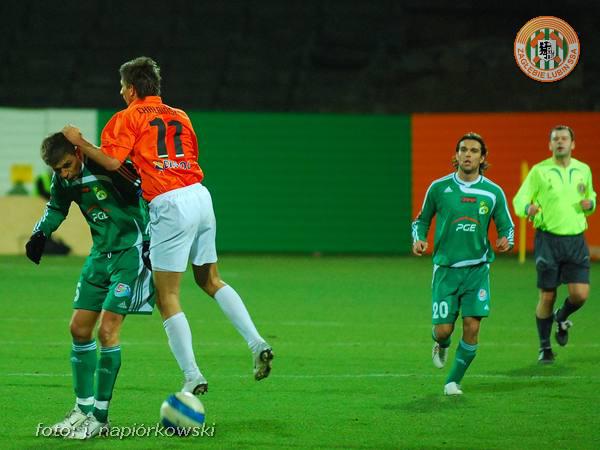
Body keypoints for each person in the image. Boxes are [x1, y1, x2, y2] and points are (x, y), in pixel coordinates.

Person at [62, 56, 273, 396]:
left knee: (166, 295)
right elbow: (186, 156)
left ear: (132, 89)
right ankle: (256, 342)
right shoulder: (180, 115)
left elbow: (113, 161)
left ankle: (192, 375)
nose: (121, 93)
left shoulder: (126, 117)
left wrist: (80, 141)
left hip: (170, 203)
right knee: (210, 279)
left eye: (122, 87)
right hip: (200, 195)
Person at [26, 132, 155, 439]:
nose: (64, 173)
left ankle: (100, 417)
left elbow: (138, 188)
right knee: (79, 329)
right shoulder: (64, 179)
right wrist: (40, 233)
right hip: (99, 256)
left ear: (78, 153)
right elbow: (56, 207)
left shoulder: (105, 166)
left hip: (130, 253)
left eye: (67, 165)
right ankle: (82, 409)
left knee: (107, 331)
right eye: (57, 170)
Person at [412, 132, 514, 395]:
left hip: (477, 270)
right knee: (443, 330)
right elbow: (421, 220)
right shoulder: (439, 188)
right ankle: (441, 342)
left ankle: (452, 381)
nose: (468, 154)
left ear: (482, 158)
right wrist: (419, 239)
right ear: (456, 155)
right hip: (446, 270)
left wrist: (506, 239)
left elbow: (507, 226)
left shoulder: (492, 192)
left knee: (472, 325)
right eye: (463, 150)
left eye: (474, 151)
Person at [513, 125, 596, 364]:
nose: (560, 142)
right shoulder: (539, 171)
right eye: (556, 139)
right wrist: (526, 208)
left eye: (564, 138)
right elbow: (519, 199)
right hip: (548, 240)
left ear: (573, 144)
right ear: (550, 145)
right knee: (547, 295)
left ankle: (561, 317)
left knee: (580, 295)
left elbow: (590, 197)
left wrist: (591, 204)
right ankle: (545, 347)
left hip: (575, 240)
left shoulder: (583, 170)